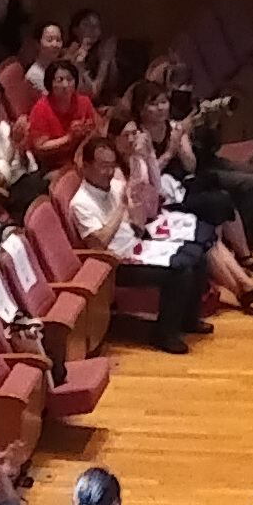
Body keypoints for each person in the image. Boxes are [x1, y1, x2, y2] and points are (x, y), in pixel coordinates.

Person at [68, 138, 204, 353]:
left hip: (138, 244)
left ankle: (189, 320)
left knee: (196, 253)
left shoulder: (116, 186)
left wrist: (137, 205)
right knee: (180, 273)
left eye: (112, 165)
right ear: (86, 167)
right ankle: (165, 335)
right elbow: (98, 243)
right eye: (103, 166)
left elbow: (139, 223)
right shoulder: (80, 203)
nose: (109, 172)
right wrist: (121, 207)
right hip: (116, 264)